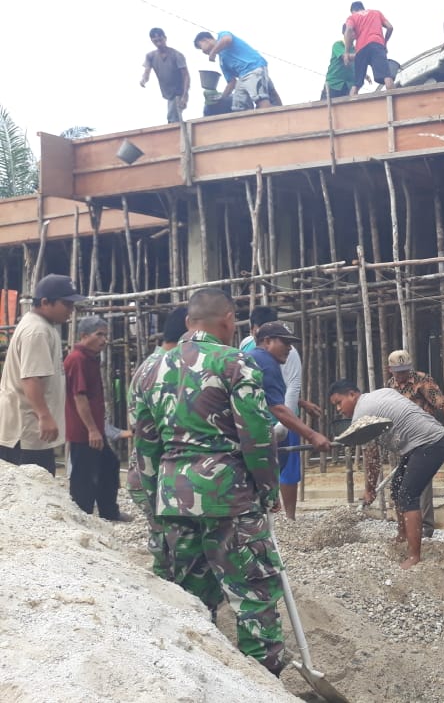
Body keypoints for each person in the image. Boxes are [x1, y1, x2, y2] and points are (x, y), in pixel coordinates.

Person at [131, 288, 284, 673]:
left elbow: (144, 449)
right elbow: (256, 436)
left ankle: (198, 679)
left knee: (188, 599)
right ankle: (262, 682)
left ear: (188, 323)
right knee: (253, 594)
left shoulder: (149, 370)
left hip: (171, 498)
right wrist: (268, 490)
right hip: (227, 497)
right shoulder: (236, 363)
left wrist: (153, 505)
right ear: (230, 319)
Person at [328, 380, 444, 570]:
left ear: (352, 394)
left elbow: (372, 455)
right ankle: (402, 535)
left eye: (339, 402)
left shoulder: (362, 414)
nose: (338, 409)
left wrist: (369, 489)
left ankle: (414, 555)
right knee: (396, 487)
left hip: (430, 443)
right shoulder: (378, 393)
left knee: (408, 494)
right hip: (423, 442)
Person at [240, 306, 322, 521]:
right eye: (284, 342)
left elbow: (286, 388)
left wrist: (292, 413)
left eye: (289, 343)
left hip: (274, 415)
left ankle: (284, 515)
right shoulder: (255, 354)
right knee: (272, 466)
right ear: (263, 337)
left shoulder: (279, 354)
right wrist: (311, 434)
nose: (288, 347)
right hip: (267, 417)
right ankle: (270, 512)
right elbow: (272, 394)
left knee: (280, 467)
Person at [0, 274, 86, 475]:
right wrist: (44, 416)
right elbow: (31, 378)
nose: (71, 310)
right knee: (31, 490)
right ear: (45, 302)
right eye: (66, 304)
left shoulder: (42, 327)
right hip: (26, 432)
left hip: (29, 431)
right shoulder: (37, 331)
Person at [127, 305, 189, 581]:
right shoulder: (166, 367)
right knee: (170, 548)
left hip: (148, 471)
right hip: (153, 473)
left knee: (167, 543)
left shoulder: (152, 364)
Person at [386, 348, 444, 538]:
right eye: (398, 372)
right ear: (390, 370)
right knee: (404, 483)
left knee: (420, 482)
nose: (402, 375)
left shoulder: (422, 380)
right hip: (405, 440)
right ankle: (407, 527)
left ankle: (425, 527)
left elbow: (443, 402)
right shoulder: (390, 387)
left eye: (405, 371)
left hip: (425, 438)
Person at [64, 316, 129, 521]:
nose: (104, 340)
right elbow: (79, 397)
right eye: (99, 334)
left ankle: (108, 512)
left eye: (106, 335)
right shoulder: (77, 359)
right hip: (83, 430)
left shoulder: (91, 358)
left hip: (93, 428)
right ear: (84, 336)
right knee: (84, 474)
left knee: (109, 465)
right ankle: (81, 516)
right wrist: (92, 429)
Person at [193, 31, 272, 111]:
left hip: (253, 68)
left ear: (205, 40)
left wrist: (213, 52)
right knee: (238, 105)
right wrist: (221, 98)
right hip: (242, 77)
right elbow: (232, 82)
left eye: (200, 47)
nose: (203, 51)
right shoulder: (222, 61)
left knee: (260, 98)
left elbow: (227, 40)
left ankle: (270, 119)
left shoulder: (222, 35)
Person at [344, 1, 394, 96]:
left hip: (361, 48)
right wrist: (385, 43)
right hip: (377, 44)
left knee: (357, 83)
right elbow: (390, 27)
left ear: (353, 11)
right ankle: (395, 100)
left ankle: (351, 105)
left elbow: (349, 30)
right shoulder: (376, 13)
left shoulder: (352, 17)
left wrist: (346, 52)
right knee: (387, 76)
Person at [140, 27, 189, 123]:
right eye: (155, 41)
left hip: (178, 91)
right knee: (175, 117)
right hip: (167, 92)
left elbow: (186, 75)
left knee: (172, 117)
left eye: (160, 40)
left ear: (165, 38)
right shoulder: (150, 56)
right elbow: (147, 71)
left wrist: (185, 95)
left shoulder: (176, 55)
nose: (158, 43)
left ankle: (175, 134)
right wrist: (143, 79)